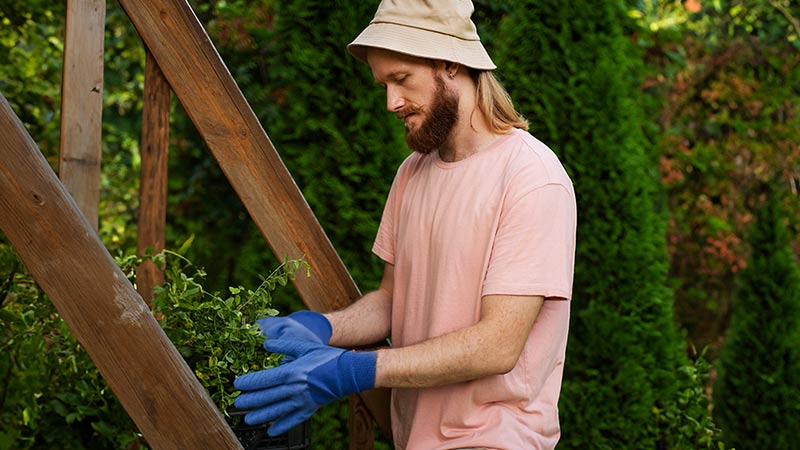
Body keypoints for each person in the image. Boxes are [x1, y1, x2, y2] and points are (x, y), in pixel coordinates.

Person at [233, 1, 577, 448]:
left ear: (451, 63)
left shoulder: (532, 177)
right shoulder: (413, 173)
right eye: (383, 84)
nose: (391, 102)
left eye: (401, 80)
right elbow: (393, 299)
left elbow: (498, 344)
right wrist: (321, 328)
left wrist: (350, 370)